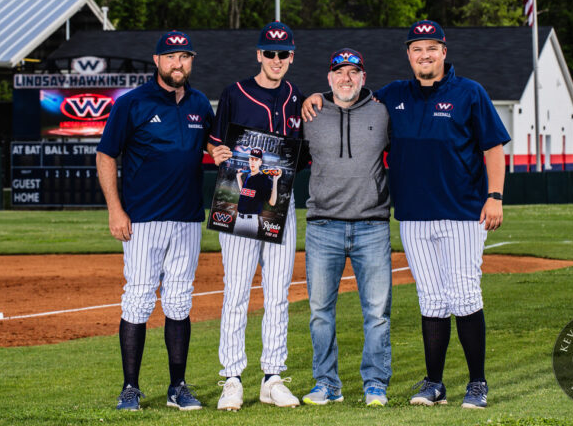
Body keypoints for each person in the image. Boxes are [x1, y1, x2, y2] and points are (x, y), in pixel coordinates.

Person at [302, 21, 510, 409]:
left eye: (432, 48)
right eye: (417, 49)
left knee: (464, 296)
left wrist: (494, 196)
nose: (424, 55)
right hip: (413, 216)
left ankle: (477, 383)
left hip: (463, 213)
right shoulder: (393, 96)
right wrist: (314, 95)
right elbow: (349, 97)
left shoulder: (470, 92)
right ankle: (434, 383)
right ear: (409, 55)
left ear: (444, 52)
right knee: (431, 300)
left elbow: (494, 146)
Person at [96, 31, 214, 412]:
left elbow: (211, 144)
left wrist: (221, 149)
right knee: (139, 299)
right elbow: (106, 155)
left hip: (187, 218)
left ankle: (177, 386)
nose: (178, 63)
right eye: (171, 57)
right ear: (157, 61)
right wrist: (115, 209)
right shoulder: (132, 103)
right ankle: (130, 388)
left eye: (184, 56)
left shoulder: (199, 103)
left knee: (179, 300)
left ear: (191, 60)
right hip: (143, 219)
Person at [207, 21, 304, 410]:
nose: (276, 59)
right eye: (270, 53)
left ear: (291, 56)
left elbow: (303, 152)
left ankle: (272, 376)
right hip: (239, 199)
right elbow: (216, 143)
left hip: (282, 204)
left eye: (283, 54)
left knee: (278, 294)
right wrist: (216, 153)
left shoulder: (298, 98)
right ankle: (231, 377)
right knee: (237, 291)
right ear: (258, 55)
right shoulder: (235, 93)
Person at [300, 48, 393, 407]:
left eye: (353, 72)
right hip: (324, 226)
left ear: (363, 78)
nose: (346, 78)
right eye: (339, 72)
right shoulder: (311, 112)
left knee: (377, 313)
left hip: (372, 226)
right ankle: (327, 384)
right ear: (329, 78)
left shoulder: (382, 112)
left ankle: (375, 384)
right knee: (321, 312)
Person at [233, 148, 280, 237]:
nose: (253, 162)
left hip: (250, 221)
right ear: (249, 161)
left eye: (256, 159)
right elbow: (244, 193)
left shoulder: (263, 179)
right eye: (251, 159)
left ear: (260, 162)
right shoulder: (248, 175)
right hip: (238, 219)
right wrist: (239, 177)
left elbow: (272, 202)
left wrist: (275, 181)